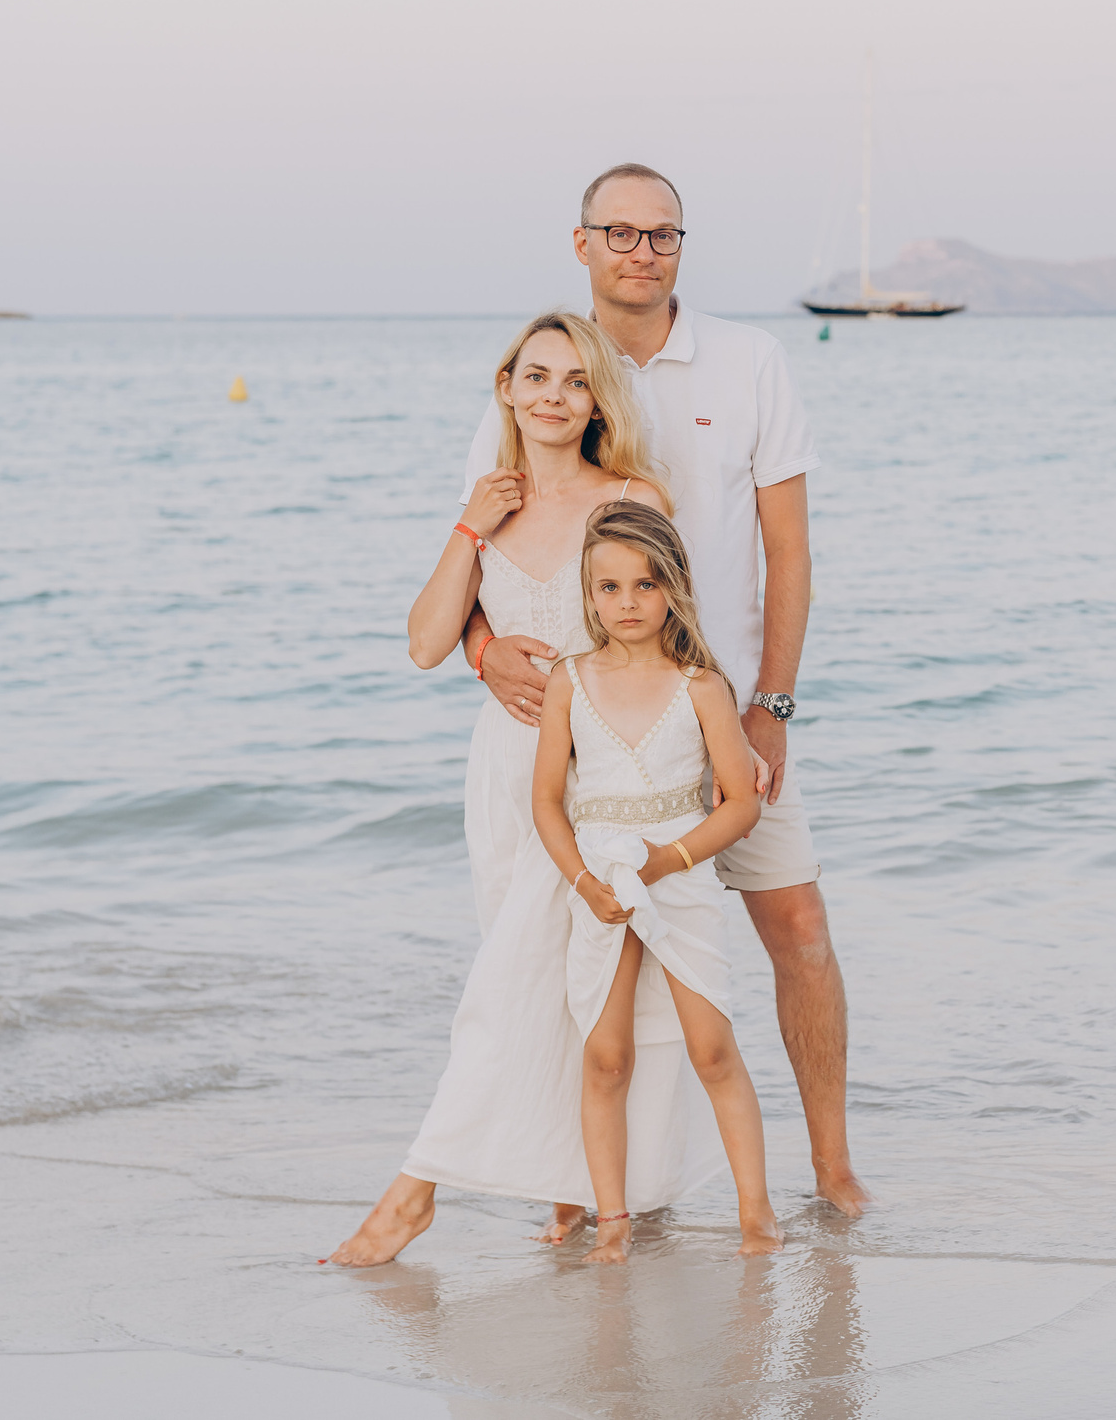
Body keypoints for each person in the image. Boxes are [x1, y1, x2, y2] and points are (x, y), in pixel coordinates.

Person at [464, 164, 869, 1221]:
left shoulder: (750, 361)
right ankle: (582, 1195)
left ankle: (830, 1171)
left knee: (797, 930)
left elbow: (790, 552)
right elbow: (482, 542)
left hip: (726, 715)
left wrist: (768, 705)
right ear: (582, 242)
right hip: (592, 734)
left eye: (665, 235)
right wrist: (477, 647)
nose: (644, 252)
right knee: (577, 955)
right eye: (623, 233)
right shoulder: (547, 370)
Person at [327, 310, 686, 1266]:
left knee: (528, 984)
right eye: (536, 377)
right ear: (506, 388)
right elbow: (426, 643)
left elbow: (658, 630)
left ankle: (412, 1196)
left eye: (574, 380)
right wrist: (470, 532)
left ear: (597, 397)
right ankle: (571, 1190)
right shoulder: (489, 499)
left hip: (599, 770)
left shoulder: (633, 494)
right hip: (502, 770)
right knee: (533, 975)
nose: (554, 396)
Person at [534, 502, 781, 1262]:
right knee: (607, 1053)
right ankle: (612, 1218)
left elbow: (740, 804)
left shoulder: (702, 686)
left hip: (678, 872)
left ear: (673, 586)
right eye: (609, 587)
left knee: (712, 1046)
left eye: (645, 584)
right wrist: (584, 881)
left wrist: (667, 861)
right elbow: (545, 799)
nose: (627, 603)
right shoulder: (569, 681)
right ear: (588, 592)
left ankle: (756, 1212)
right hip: (602, 877)